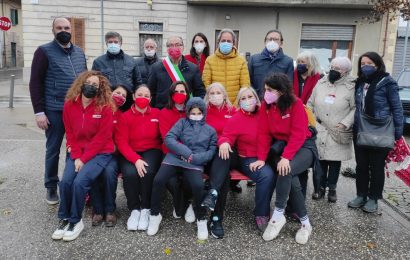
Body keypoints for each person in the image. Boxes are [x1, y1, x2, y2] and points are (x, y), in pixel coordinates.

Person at [29, 17, 87, 205]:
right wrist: (39, 111)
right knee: (53, 149)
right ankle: (51, 187)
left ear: (71, 30)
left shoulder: (79, 52)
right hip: (54, 109)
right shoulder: (44, 51)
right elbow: (35, 83)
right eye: (59, 27)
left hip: (77, 109)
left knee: (76, 149)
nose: (64, 30)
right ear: (53, 30)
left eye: (67, 27)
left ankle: (72, 182)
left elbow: (85, 79)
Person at [52, 71, 115, 241]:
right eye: (89, 83)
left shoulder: (106, 107)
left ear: (100, 89)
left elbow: (102, 138)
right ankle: (64, 218)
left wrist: (84, 158)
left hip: (100, 153)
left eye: (95, 85)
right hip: (77, 152)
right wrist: (78, 156)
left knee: (80, 183)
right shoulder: (69, 105)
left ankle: (75, 220)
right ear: (81, 83)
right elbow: (70, 133)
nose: (91, 86)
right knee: (65, 182)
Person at [254, 73, 315, 245]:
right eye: (265, 89)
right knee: (288, 174)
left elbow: (299, 134)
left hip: (304, 146)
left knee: (285, 169)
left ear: (281, 91)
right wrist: (261, 158)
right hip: (280, 147)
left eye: (270, 90)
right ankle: (305, 223)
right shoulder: (266, 106)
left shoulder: (295, 104)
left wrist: (287, 157)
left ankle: (278, 215)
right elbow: (264, 134)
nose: (266, 93)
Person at [147, 97, 217, 240]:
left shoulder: (210, 130)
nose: (196, 115)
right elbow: (169, 138)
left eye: (199, 113)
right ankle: (155, 215)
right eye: (193, 112)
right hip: (175, 158)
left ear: (204, 113)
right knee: (158, 180)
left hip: (195, 162)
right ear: (188, 112)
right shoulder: (182, 123)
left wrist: (196, 158)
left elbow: (211, 150)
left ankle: (201, 218)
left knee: (198, 186)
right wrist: (186, 153)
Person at [348, 52, 403, 213]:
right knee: (361, 166)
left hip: (380, 131)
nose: (365, 66)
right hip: (360, 130)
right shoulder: (360, 82)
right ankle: (361, 195)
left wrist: (397, 134)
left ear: (377, 65)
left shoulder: (388, 83)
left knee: (377, 167)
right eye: (363, 63)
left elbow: (397, 108)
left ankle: (374, 198)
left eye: (369, 63)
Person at [217, 87, 275, 232]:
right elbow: (227, 135)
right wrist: (224, 142)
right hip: (247, 157)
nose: (247, 100)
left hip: (266, 155)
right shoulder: (236, 118)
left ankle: (287, 209)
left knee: (280, 172)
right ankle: (262, 214)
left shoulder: (265, 113)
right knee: (266, 175)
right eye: (243, 98)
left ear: (256, 98)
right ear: (239, 101)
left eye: (250, 96)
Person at [115, 84, 163, 231]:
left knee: (147, 172)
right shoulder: (125, 117)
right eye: (140, 95)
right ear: (134, 96)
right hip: (130, 151)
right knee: (130, 174)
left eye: (146, 96)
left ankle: (146, 208)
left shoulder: (157, 113)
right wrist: (135, 159)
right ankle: (134, 209)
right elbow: (121, 142)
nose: (143, 98)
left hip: (152, 149)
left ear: (150, 98)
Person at [307, 57, 355, 202]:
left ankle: (332, 189)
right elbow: (310, 103)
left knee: (334, 161)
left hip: (338, 129)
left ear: (346, 72)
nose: (333, 70)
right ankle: (320, 188)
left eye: (338, 68)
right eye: (332, 66)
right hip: (320, 127)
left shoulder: (351, 86)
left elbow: (355, 108)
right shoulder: (320, 83)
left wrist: (345, 122)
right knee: (320, 159)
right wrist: (311, 121)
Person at [89, 85, 129, 227]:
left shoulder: (121, 116)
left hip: (111, 154)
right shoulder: (97, 109)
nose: (120, 96)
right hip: (94, 152)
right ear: (110, 93)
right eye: (117, 92)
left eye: (123, 95)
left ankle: (110, 210)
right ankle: (98, 210)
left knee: (108, 173)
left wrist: (112, 148)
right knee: (93, 172)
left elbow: (120, 140)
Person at [200, 82, 236, 238]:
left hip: (227, 152)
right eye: (212, 93)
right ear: (207, 96)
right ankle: (216, 219)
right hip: (208, 154)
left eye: (218, 93)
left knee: (224, 154)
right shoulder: (202, 111)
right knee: (224, 178)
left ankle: (213, 192)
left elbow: (237, 133)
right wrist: (218, 142)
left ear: (224, 95)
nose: (215, 96)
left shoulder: (233, 111)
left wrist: (225, 142)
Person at [158, 81, 196, 223]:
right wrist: (182, 152)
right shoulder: (164, 112)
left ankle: (187, 203)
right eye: (176, 91)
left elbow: (195, 136)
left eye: (183, 91)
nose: (179, 95)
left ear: (187, 94)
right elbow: (167, 137)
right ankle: (183, 203)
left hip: (190, 153)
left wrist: (187, 153)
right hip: (170, 152)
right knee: (171, 180)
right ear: (171, 94)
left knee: (189, 178)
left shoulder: (193, 112)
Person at [148, 36, 206, 109]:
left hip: (185, 113)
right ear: (167, 48)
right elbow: (150, 92)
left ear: (183, 47)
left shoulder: (193, 68)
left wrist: (195, 108)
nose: (174, 48)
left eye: (178, 45)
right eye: (171, 45)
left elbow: (200, 92)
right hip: (162, 112)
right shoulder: (155, 68)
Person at [92, 31, 142, 110]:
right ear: (106, 44)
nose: (113, 44)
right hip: (106, 104)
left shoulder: (131, 61)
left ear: (120, 43)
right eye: (110, 42)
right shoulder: (98, 62)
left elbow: (138, 83)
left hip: (128, 104)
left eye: (115, 42)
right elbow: (95, 83)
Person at [202, 28, 250, 103]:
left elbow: (245, 85)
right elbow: (207, 82)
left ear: (233, 43)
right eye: (223, 41)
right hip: (215, 103)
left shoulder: (241, 61)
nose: (226, 43)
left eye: (229, 41)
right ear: (218, 42)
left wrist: (236, 104)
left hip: (236, 104)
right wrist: (215, 99)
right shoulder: (209, 60)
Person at [248, 29, 294, 95]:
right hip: (258, 101)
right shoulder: (254, 59)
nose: (272, 41)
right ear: (265, 42)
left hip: (277, 102)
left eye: (276, 39)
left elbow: (288, 85)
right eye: (270, 39)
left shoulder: (288, 61)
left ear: (281, 43)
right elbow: (248, 82)